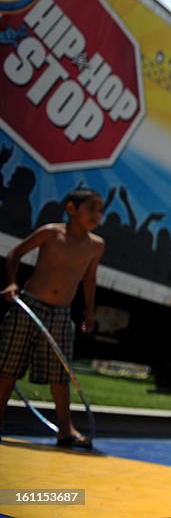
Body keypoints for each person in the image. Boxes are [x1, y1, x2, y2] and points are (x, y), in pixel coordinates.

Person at [0, 187, 105, 448]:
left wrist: (89, 312)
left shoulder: (96, 245)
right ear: (71, 209)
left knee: (60, 372)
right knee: (7, 366)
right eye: (90, 208)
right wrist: (13, 283)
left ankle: (65, 429)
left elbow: (89, 279)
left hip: (61, 312)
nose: (96, 215)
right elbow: (15, 254)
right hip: (31, 306)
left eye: (100, 210)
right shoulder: (51, 233)